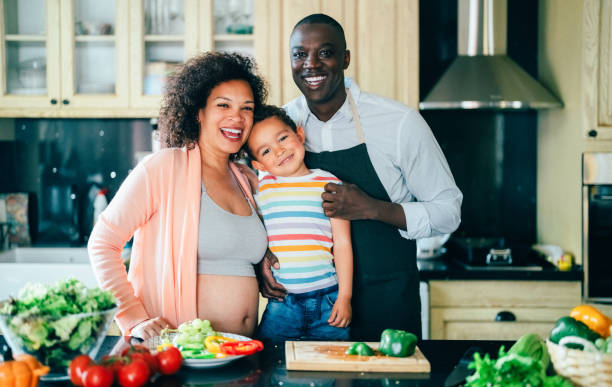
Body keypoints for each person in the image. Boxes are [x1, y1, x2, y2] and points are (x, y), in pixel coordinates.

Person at [258, 14, 463, 341]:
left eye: (325, 52)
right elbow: (262, 206)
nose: (311, 65)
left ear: (345, 58)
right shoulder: (278, 129)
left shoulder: (399, 123)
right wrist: (261, 259)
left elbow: (449, 211)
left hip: (389, 302)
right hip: (311, 310)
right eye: (300, 55)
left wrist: (374, 208)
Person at [88, 52, 269, 340]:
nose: (237, 117)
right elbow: (102, 242)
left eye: (247, 108)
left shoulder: (246, 179)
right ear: (198, 112)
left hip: (242, 353)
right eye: (223, 105)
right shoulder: (164, 167)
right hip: (179, 354)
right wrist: (133, 319)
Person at [246, 105, 352, 340]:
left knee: (333, 366)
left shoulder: (329, 184)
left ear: (300, 135)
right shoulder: (262, 191)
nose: (279, 151)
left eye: (282, 138)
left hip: (329, 300)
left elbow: (343, 243)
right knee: (271, 367)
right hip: (283, 303)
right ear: (259, 166)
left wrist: (345, 297)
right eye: (265, 151)